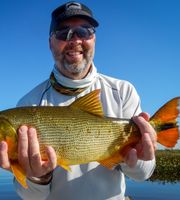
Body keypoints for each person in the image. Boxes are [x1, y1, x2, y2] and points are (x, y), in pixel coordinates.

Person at [0, 1, 157, 200]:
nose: (74, 39)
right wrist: (38, 178)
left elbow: (143, 174)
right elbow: (31, 198)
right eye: (62, 32)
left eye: (84, 31)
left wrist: (136, 159)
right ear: (50, 42)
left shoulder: (123, 91)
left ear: (94, 39)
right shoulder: (29, 102)